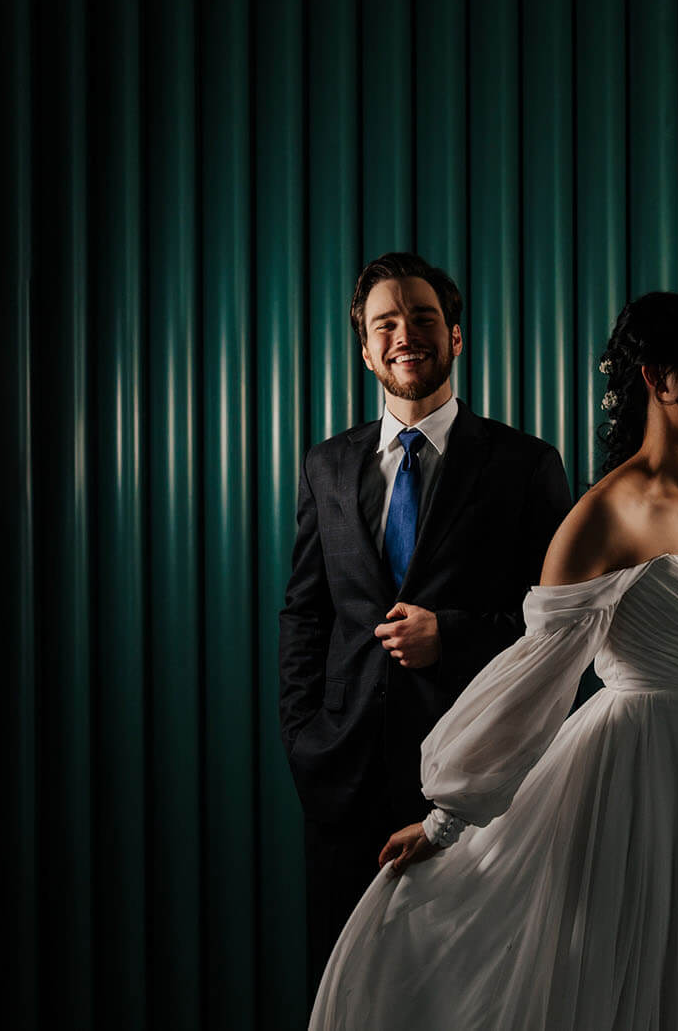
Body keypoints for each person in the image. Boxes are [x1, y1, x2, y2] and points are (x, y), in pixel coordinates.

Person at [308, 292, 678, 1029]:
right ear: (658, 377)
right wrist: (448, 821)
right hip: (635, 776)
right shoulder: (601, 517)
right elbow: (536, 677)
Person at [278, 252, 573, 997]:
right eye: (385, 323)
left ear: (456, 337)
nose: (404, 333)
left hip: (478, 782)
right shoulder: (326, 465)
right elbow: (306, 612)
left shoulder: (525, 465)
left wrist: (456, 634)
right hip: (344, 780)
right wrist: (305, 734)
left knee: (470, 995)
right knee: (350, 991)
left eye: (422, 317)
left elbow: (560, 630)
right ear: (367, 347)